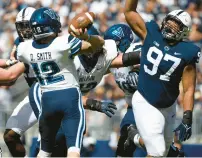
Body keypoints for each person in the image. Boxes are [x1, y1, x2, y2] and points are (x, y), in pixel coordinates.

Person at [27, 24, 141, 157]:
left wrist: (137, 69)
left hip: (70, 99)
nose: (91, 52)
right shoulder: (71, 63)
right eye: (87, 47)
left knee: (73, 137)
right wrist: (95, 104)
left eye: (93, 47)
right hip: (46, 93)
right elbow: (65, 95)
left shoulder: (105, 58)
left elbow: (129, 58)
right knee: (53, 139)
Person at [17, 7, 104, 157]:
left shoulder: (23, 48)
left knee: (44, 151)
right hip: (69, 98)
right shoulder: (64, 43)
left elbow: (21, 54)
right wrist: (86, 37)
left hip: (46, 101)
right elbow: (97, 45)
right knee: (74, 149)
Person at [124, 0, 201, 156]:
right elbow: (129, 12)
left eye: (176, 25)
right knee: (157, 152)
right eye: (169, 22)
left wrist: (187, 117)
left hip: (169, 106)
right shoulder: (151, 33)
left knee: (164, 152)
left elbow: (188, 89)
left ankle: (134, 137)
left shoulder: (188, 51)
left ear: (184, 31)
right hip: (145, 100)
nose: (170, 26)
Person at [3, 7, 38, 157]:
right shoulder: (20, 43)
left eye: (27, 26)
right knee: (10, 135)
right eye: (21, 26)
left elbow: (11, 77)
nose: (24, 31)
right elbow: (11, 66)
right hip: (35, 93)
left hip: (54, 93)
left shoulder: (46, 41)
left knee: (47, 147)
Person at [104, 23, 141, 157]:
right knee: (123, 150)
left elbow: (149, 60)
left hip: (151, 104)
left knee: (157, 148)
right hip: (133, 107)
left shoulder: (135, 49)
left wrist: (138, 71)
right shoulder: (112, 61)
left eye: (112, 43)